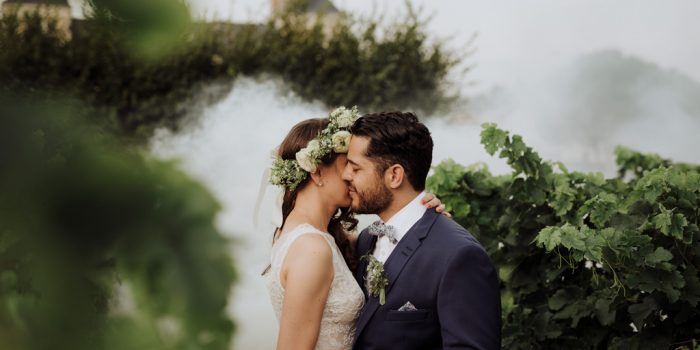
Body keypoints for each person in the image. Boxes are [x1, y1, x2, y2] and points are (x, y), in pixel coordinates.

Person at [264, 107, 448, 350]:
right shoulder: (311, 248)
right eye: (347, 165)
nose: (351, 175)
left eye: (355, 167)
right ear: (317, 171)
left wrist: (424, 215)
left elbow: (393, 240)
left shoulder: (324, 236)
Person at [343, 111, 501, 350]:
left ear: (394, 175)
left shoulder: (459, 255)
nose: (346, 176)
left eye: (355, 169)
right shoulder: (366, 239)